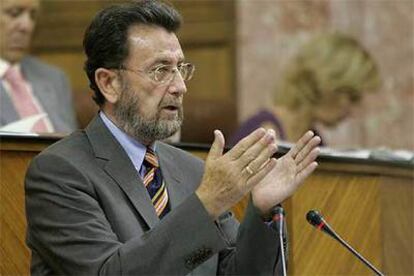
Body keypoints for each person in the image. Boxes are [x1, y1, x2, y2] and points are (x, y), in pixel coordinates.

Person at [24, 1, 321, 275]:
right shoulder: (59, 172)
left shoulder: (192, 171)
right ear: (109, 83)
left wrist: (263, 212)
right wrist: (206, 203)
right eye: (161, 70)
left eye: (180, 69)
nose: (180, 86)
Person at [230, 33, 380, 146]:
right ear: (327, 84)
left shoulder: (312, 139)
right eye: (352, 96)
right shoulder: (264, 133)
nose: (352, 112)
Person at [0, 0, 77, 133]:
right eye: (14, 13)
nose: (27, 26)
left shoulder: (55, 78)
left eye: (33, 16)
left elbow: (74, 142)